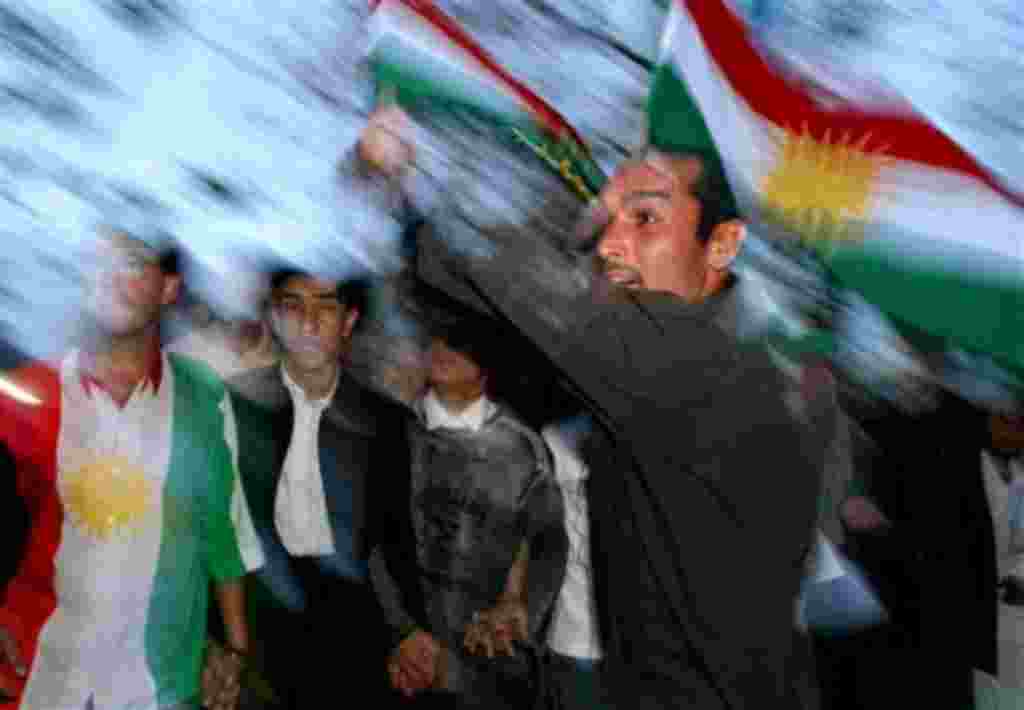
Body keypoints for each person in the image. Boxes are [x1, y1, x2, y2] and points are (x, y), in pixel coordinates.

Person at [361, 113, 824, 709]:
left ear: (724, 244)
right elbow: (507, 334)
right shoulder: (669, 375)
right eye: (611, 221)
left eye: (646, 218)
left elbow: (523, 295)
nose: (610, 243)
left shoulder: (700, 366)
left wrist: (410, 176)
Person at [0, 228, 262, 710]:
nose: (112, 278)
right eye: (101, 264)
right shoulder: (25, 395)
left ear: (169, 289)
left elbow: (222, 534)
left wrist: (234, 652)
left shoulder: (203, 400)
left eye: (133, 264)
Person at [227, 269, 406, 709]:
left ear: (348, 322)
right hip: (251, 620)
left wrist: (408, 629)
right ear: (273, 317)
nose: (308, 323)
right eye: (293, 306)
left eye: (325, 307)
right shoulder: (229, 406)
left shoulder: (387, 423)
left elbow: (399, 540)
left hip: (355, 631)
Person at [368, 315, 566, 709]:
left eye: (460, 343)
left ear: (488, 362)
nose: (444, 350)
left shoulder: (522, 447)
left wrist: (519, 609)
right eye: (437, 338)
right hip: (411, 660)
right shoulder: (393, 432)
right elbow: (374, 540)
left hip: (493, 664)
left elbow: (547, 542)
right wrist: (401, 630)